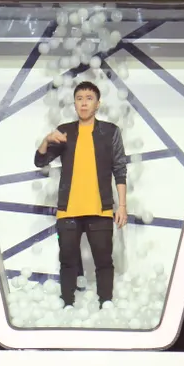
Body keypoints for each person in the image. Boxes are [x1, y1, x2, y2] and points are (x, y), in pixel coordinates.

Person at [34, 81, 127, 307]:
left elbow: (120, 169)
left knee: (104, 261)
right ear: (75, 104)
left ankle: (106, 303)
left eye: (89, 98)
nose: (84, 103)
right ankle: (67, 304)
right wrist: (46, 140)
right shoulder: (65, 132)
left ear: (97, 104)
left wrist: (122, 206)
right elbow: (40, 161)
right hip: (68, 211)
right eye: (79, 99)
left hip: (100, 209)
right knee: (67, 262)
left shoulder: (110, 132)